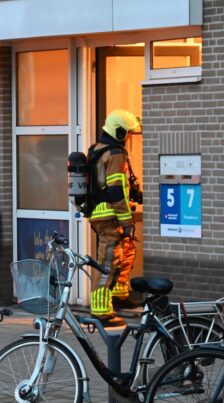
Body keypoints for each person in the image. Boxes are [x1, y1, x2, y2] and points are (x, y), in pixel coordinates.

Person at [87, 109, 141, 327]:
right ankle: (100, 311)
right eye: (127, 133)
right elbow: (116, 190)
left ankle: (120, 294)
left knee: (126, 252)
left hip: (104, 211)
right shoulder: (115, 153)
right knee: (109, 260)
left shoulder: (98, 149)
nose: (128, 137)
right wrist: (127, 222)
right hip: (109, 214)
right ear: (118, 132)